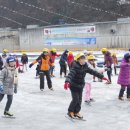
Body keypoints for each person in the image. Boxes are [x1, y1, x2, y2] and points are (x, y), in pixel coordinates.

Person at [64, 53, 109, 119]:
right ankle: (70, 111)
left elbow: (93, 72)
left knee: (79, 100)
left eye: (84, 58)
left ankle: (76, 112)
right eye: (82, 59)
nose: (84, 60)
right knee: (75, 99)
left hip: (80, 85)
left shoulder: (85, 66)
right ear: (78, 60)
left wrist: (101, 77)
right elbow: (70, 74)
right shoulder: (75, 67)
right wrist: (67, 82)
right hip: (73, 86)